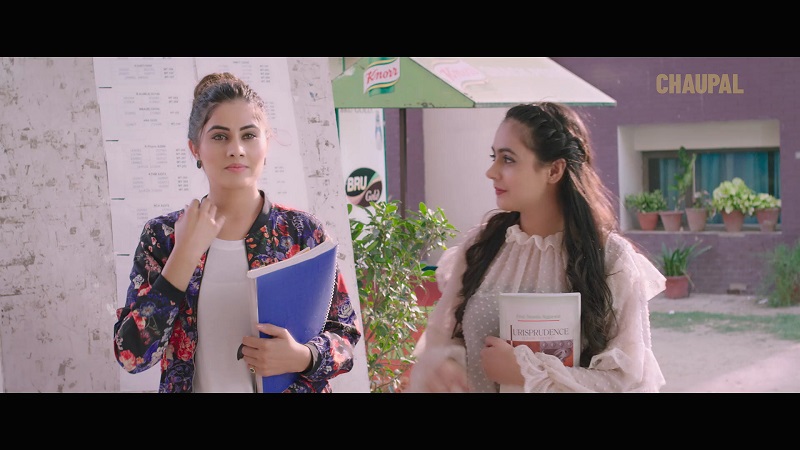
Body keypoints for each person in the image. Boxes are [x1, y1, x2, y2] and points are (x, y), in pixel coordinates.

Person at [112, 72, 360, 393]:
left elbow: (345, 334)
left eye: (249, 135)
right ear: (195, 148)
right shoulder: (163, 236)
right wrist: (184, 254)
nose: (236, 149)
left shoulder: (303, 233)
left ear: (266, 143)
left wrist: (304, 356)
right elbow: (131, 356)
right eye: (219, 136)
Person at [408, 102, 666, 393]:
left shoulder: (611, 258)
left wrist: (527, 372)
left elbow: (627, 381)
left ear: (554, 170)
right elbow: (441, 339)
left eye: (508, 159)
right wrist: (446, 363)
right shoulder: (480, 247)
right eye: (494, 157)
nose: (491, 172)